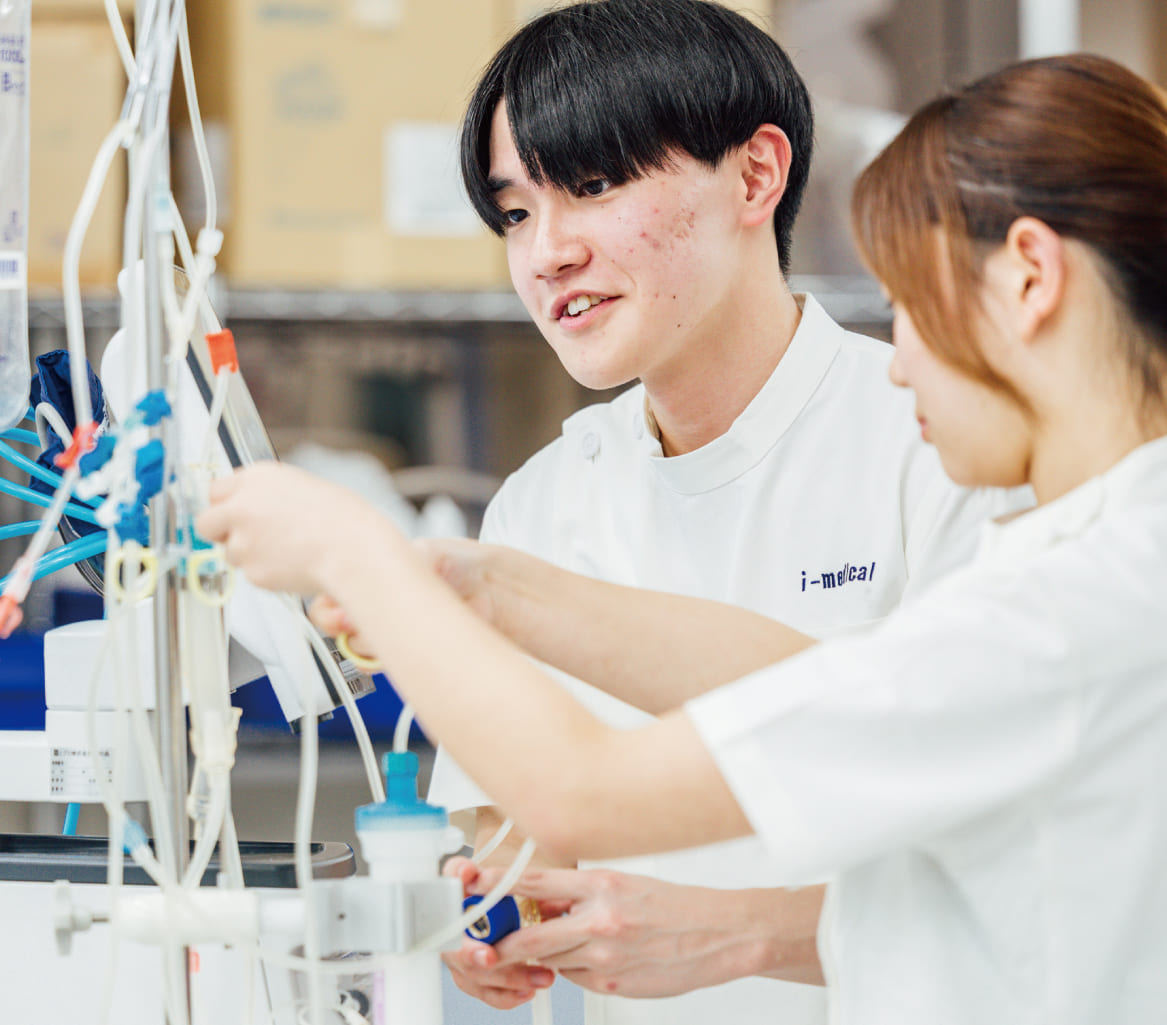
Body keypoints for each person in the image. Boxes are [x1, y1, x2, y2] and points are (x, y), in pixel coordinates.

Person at [198, 52, 1167, 1024]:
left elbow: (584, 789)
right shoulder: (1089, 560)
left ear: (1030, 275)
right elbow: (837, 687)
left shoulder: (1074, 603)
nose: (899, 360)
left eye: (912, 303)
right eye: (516, 213)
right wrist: (490, 587)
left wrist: (354, 551)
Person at [424, 1, 1026, 1020]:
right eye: (517, 211)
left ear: (755, 175)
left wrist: (731, 928)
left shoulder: (941, 448)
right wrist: (483, 902)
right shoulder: (541, 503)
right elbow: (504, 829)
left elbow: (1022, 864)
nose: (546, 252)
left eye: (594, 185)